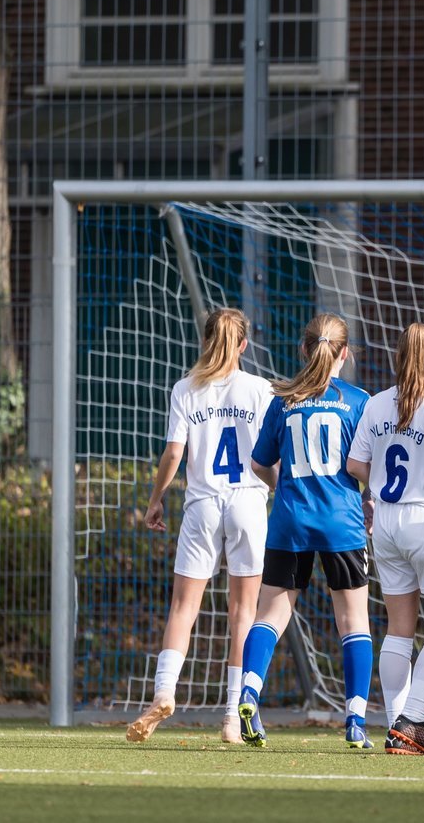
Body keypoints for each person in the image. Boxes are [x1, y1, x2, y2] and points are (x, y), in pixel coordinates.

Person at [127, 308, 273, 745]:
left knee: (183, 609)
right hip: (248, 500)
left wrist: (156, 498)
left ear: (206, 339)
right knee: (243, 613)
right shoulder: (261, 389)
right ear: (244, 345)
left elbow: (174, 453)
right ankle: (232, 717)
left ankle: (165, 692)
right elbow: (270, 456)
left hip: (203, 503)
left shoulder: (186, 388)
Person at [234, 314, 374, 750]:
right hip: (341, 523)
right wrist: (365, 497)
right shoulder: (358, 401)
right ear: (344, 353)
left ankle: (249, 693)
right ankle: (355, 721)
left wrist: (285, 486)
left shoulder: (284, 400)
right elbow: (361, 466)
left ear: (303, 349)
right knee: (353, 621)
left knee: (270, 616)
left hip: (289, 521)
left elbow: (259, 463)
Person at [347, 323, 424, 755]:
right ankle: (411, 721)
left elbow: (356, 464)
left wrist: (380, 479)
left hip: (386, 521)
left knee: (399, 628)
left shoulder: (377, 404)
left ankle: (396, 726)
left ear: (399, 357)